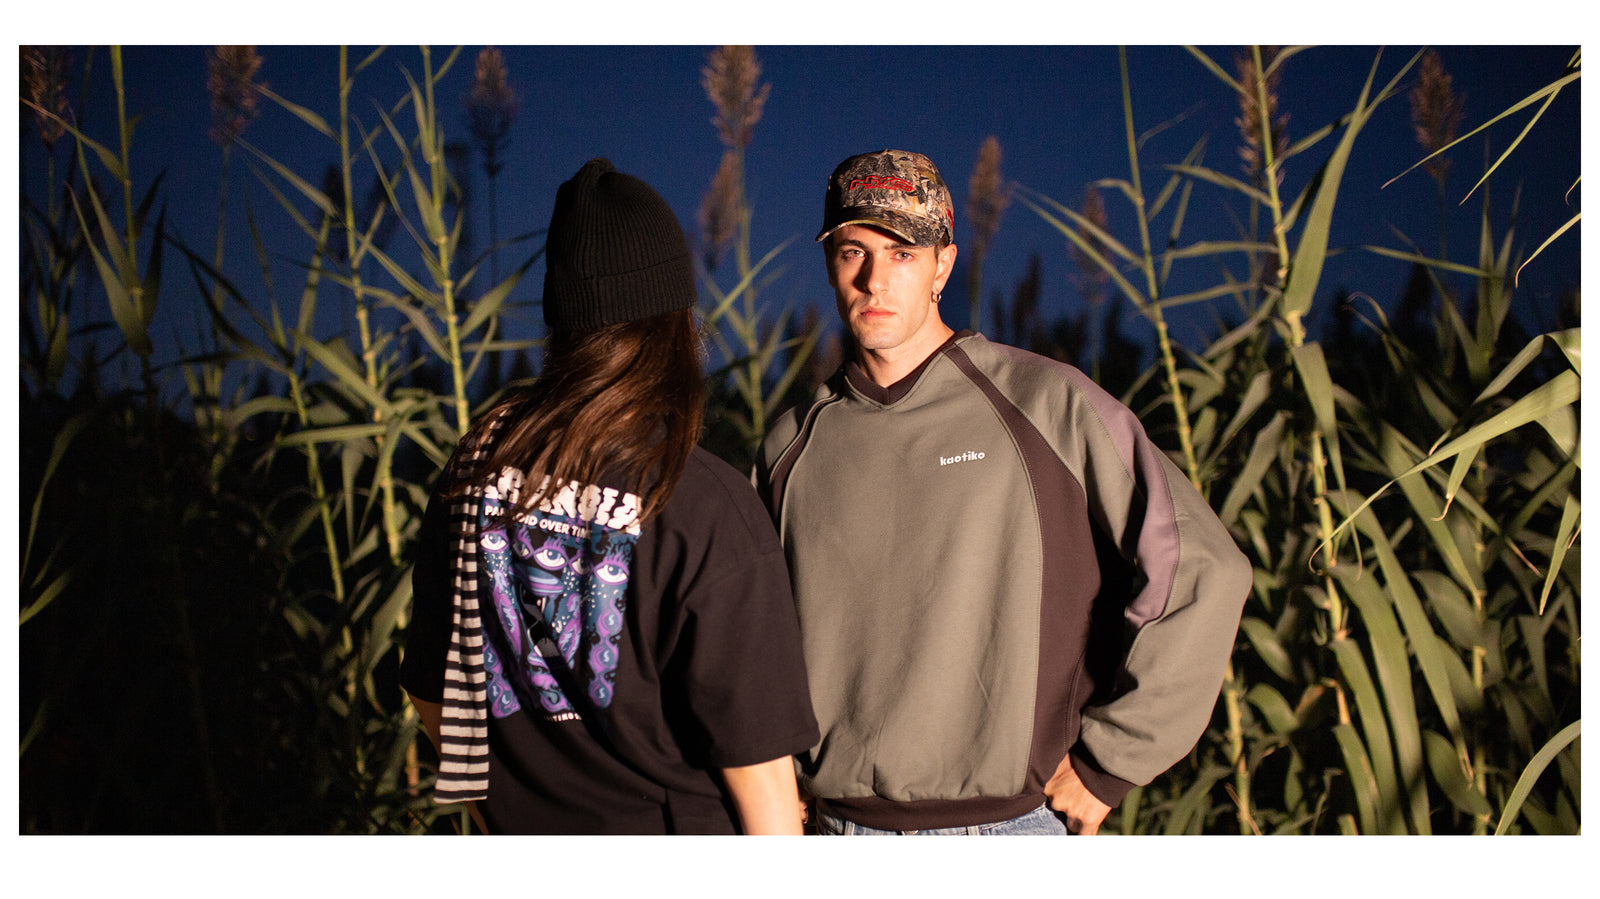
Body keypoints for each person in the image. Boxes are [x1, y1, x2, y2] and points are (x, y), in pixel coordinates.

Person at [753, 149, 1252, 836]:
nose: (874, 278)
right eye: (852, 252)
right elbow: (752, 636)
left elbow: (1204, 567)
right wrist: (774, 779)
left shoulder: (1047, 405)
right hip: (835, 828)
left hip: (1009, 828)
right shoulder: (790, 445)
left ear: (943, 266)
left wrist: (1111, 761)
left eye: (902, 253)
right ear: (831, 264)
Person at [401, 158, 819, 835]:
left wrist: (502, 810)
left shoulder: (472, 475)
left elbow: (430, 690)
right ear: (676, 323)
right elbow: (763, 785)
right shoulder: (702, 504)